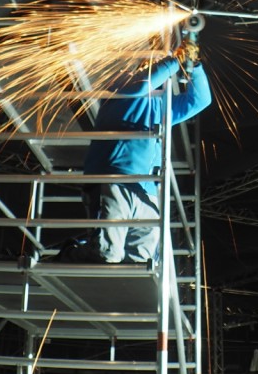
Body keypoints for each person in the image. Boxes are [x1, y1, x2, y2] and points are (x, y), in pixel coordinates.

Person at [62, 47, 211, 264]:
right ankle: (70, 253)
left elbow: (201, 100)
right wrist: (173, 61)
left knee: (142, 261)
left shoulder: (159, 105)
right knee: (107, 254)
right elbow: (142, 84)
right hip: (113, 181)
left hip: (146, 191)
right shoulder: (118, 88)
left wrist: (194, 66)